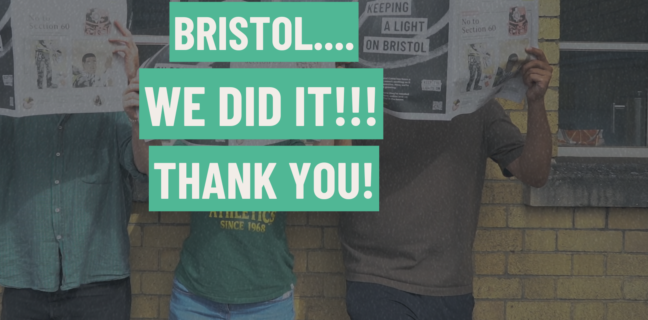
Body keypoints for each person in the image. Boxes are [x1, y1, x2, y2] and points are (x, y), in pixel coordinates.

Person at [0, 21, 146, 320]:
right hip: (25, 284)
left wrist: (139, 109)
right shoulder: (9, 115)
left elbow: (147, 166)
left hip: (99, 284)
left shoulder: (110, 113)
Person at [340, 47, 553, 320]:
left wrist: (536, 102)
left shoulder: (480, 105)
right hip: (376, 275)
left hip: (449, 286)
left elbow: (535, 173)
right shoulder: (363, 93)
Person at [124, 53, 317, 320]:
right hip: (196, 299)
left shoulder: (284, 140)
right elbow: (153, 170)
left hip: (267, 301)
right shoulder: (200, 134)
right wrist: (139, 123)